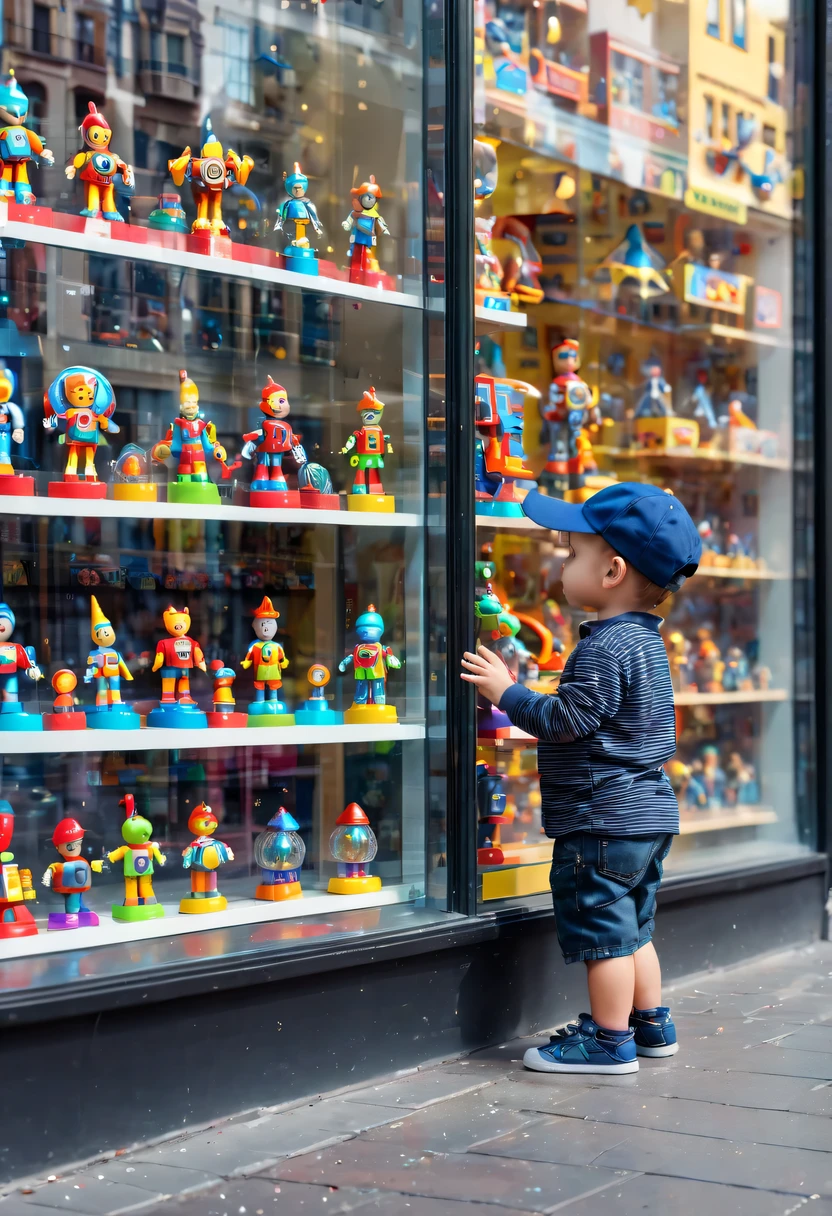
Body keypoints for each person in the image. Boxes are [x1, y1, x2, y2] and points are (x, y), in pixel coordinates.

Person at [461, 482, 701, 1075]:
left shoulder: (602, 648)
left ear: (613, 570)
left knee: (604, 934)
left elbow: (567, 720)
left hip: (602, 821)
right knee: (634, 928)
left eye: (572, 556)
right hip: (644, 816)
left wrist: (508, 693)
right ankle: (650, 1024)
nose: (564, 566)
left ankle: (609, 1042)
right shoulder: (644, 642)